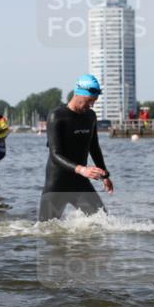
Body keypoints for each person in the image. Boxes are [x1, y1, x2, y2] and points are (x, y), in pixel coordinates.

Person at [39, 74, 114, 221]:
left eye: (94, 101)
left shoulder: (90, 116)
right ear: (78, 94)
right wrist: (83, 169)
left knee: (102, 221)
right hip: (57, 183)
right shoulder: (57, 116)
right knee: (45, 230)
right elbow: (55, 154)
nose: (91, 105)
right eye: (89, 100)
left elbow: (94, 147)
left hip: (79, 181)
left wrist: (105, 175)